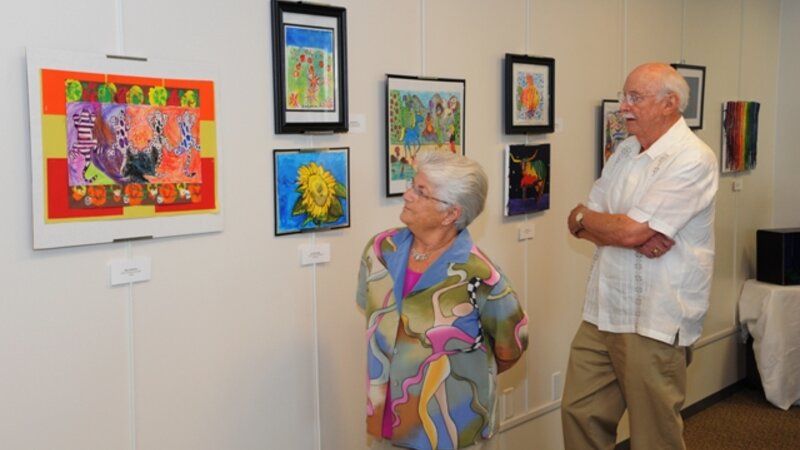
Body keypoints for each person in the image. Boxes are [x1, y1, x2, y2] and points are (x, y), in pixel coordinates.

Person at [562, 63, 719, 449]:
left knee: (653, 434)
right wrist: (595, 221)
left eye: (635, 97)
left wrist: (610, 227)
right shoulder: (626, 150)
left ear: (670, 104)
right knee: (578, 413)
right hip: (603, 310)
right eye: (623, 95)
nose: (623, 106)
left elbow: (628, 229)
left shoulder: (693, 158)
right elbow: (577, 220)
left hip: (655, 316)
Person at [357, 150, 529, 450]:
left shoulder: (480, 275)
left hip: (451, 430)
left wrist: (462, 372)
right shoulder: (380, 251)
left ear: (451, 213)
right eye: (412, 185)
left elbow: (511, 345)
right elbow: (372, 314)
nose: (407, 195)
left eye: (421, 192)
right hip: (387, 420)